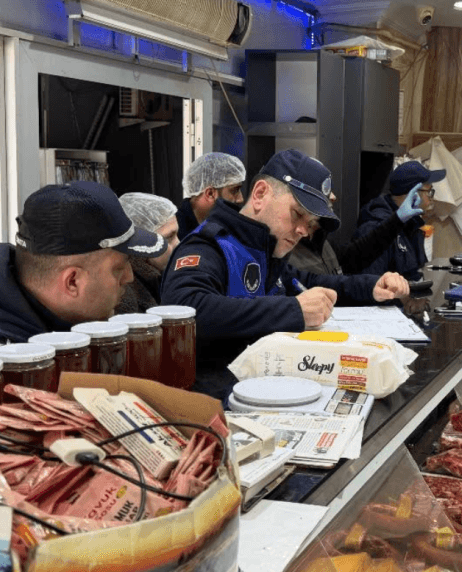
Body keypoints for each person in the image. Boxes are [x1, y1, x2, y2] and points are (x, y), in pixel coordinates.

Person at [161, 149, 410, 401]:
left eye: (310, 222)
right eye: (297, 214)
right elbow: (185, 308)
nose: (303, 230)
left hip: (265, 391)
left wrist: (371, 287)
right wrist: (292, 310)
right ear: (259, 194)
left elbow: (309, 282)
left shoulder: (264, 250)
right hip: (216, 403)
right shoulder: (210, 246)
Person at [0, 181, 164, 357]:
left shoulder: (55, 322)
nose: (129, 277)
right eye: (118, 268)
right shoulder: (5, 380)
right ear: (72, 282)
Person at [289, 183, 425, 276]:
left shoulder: (322, 241)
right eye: (324, 190)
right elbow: (330, 285)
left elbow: (356, 255)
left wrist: (398, 219)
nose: (333, 197)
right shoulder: (288, 250)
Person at [354, 160, 446, 280]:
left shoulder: (411, 225)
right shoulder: (375, 228)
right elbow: (371, 286)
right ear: (412, 194)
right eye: (429, 191)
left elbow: (416, 273)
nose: (432, 197)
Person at [115, 192, 179, 313]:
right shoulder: (126, 298)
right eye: (168, 238)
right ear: (141, 243)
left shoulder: (158, 281)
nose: (178, 244)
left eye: (176, 235)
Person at [176, 152, 246, 240]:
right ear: (210, 194)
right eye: (234, 190)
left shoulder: (228, 226)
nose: (241, 199)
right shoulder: (174, 236)